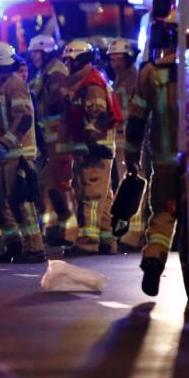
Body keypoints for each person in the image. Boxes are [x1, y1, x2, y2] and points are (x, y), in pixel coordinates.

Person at [123, 11, 178, 295]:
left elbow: (135, 120)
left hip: (166, 162)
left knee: (163, 216)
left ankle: (154, 255)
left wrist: (130, 157)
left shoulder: (151, 73)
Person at [0, 41, 45, 264]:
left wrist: (5, 144)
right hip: (1, 154)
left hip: (18, 153)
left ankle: (34, 248)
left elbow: (24, 118)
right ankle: (14, 244)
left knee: (21, 201)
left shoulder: (15, 85)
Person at [61, 39, 123, 257]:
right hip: (94, 146)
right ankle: (106, 240)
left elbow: (97, 114)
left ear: (78, 60)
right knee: (103, 195)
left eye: (69, 59)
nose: (67, 64)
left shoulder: (91, 82)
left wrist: (91, 143)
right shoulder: (88, 79)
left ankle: (87, 242)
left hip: (94, 148)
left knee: (90, 194)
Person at [28, 35, 75, 247]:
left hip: (58, 136)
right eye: (32, 53)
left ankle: (63, 231)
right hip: (49, 136)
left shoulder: (55, 73)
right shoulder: (45, 72)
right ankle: (55, 229)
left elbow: (56, 103)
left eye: (37, 52)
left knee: (57, 184)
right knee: (49, 184)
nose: (33, 56)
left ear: (46, 52)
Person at [107, 38, 144, 247]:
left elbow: (135, 112)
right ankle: (127, 231)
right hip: (120, 140)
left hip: (131, 139)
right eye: (111, 57)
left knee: (134, 182)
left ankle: (134, 235)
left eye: (118, 56)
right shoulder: (119, 78)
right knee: (123, 182)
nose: (113, 60)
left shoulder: (134, 79)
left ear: (129, 57)